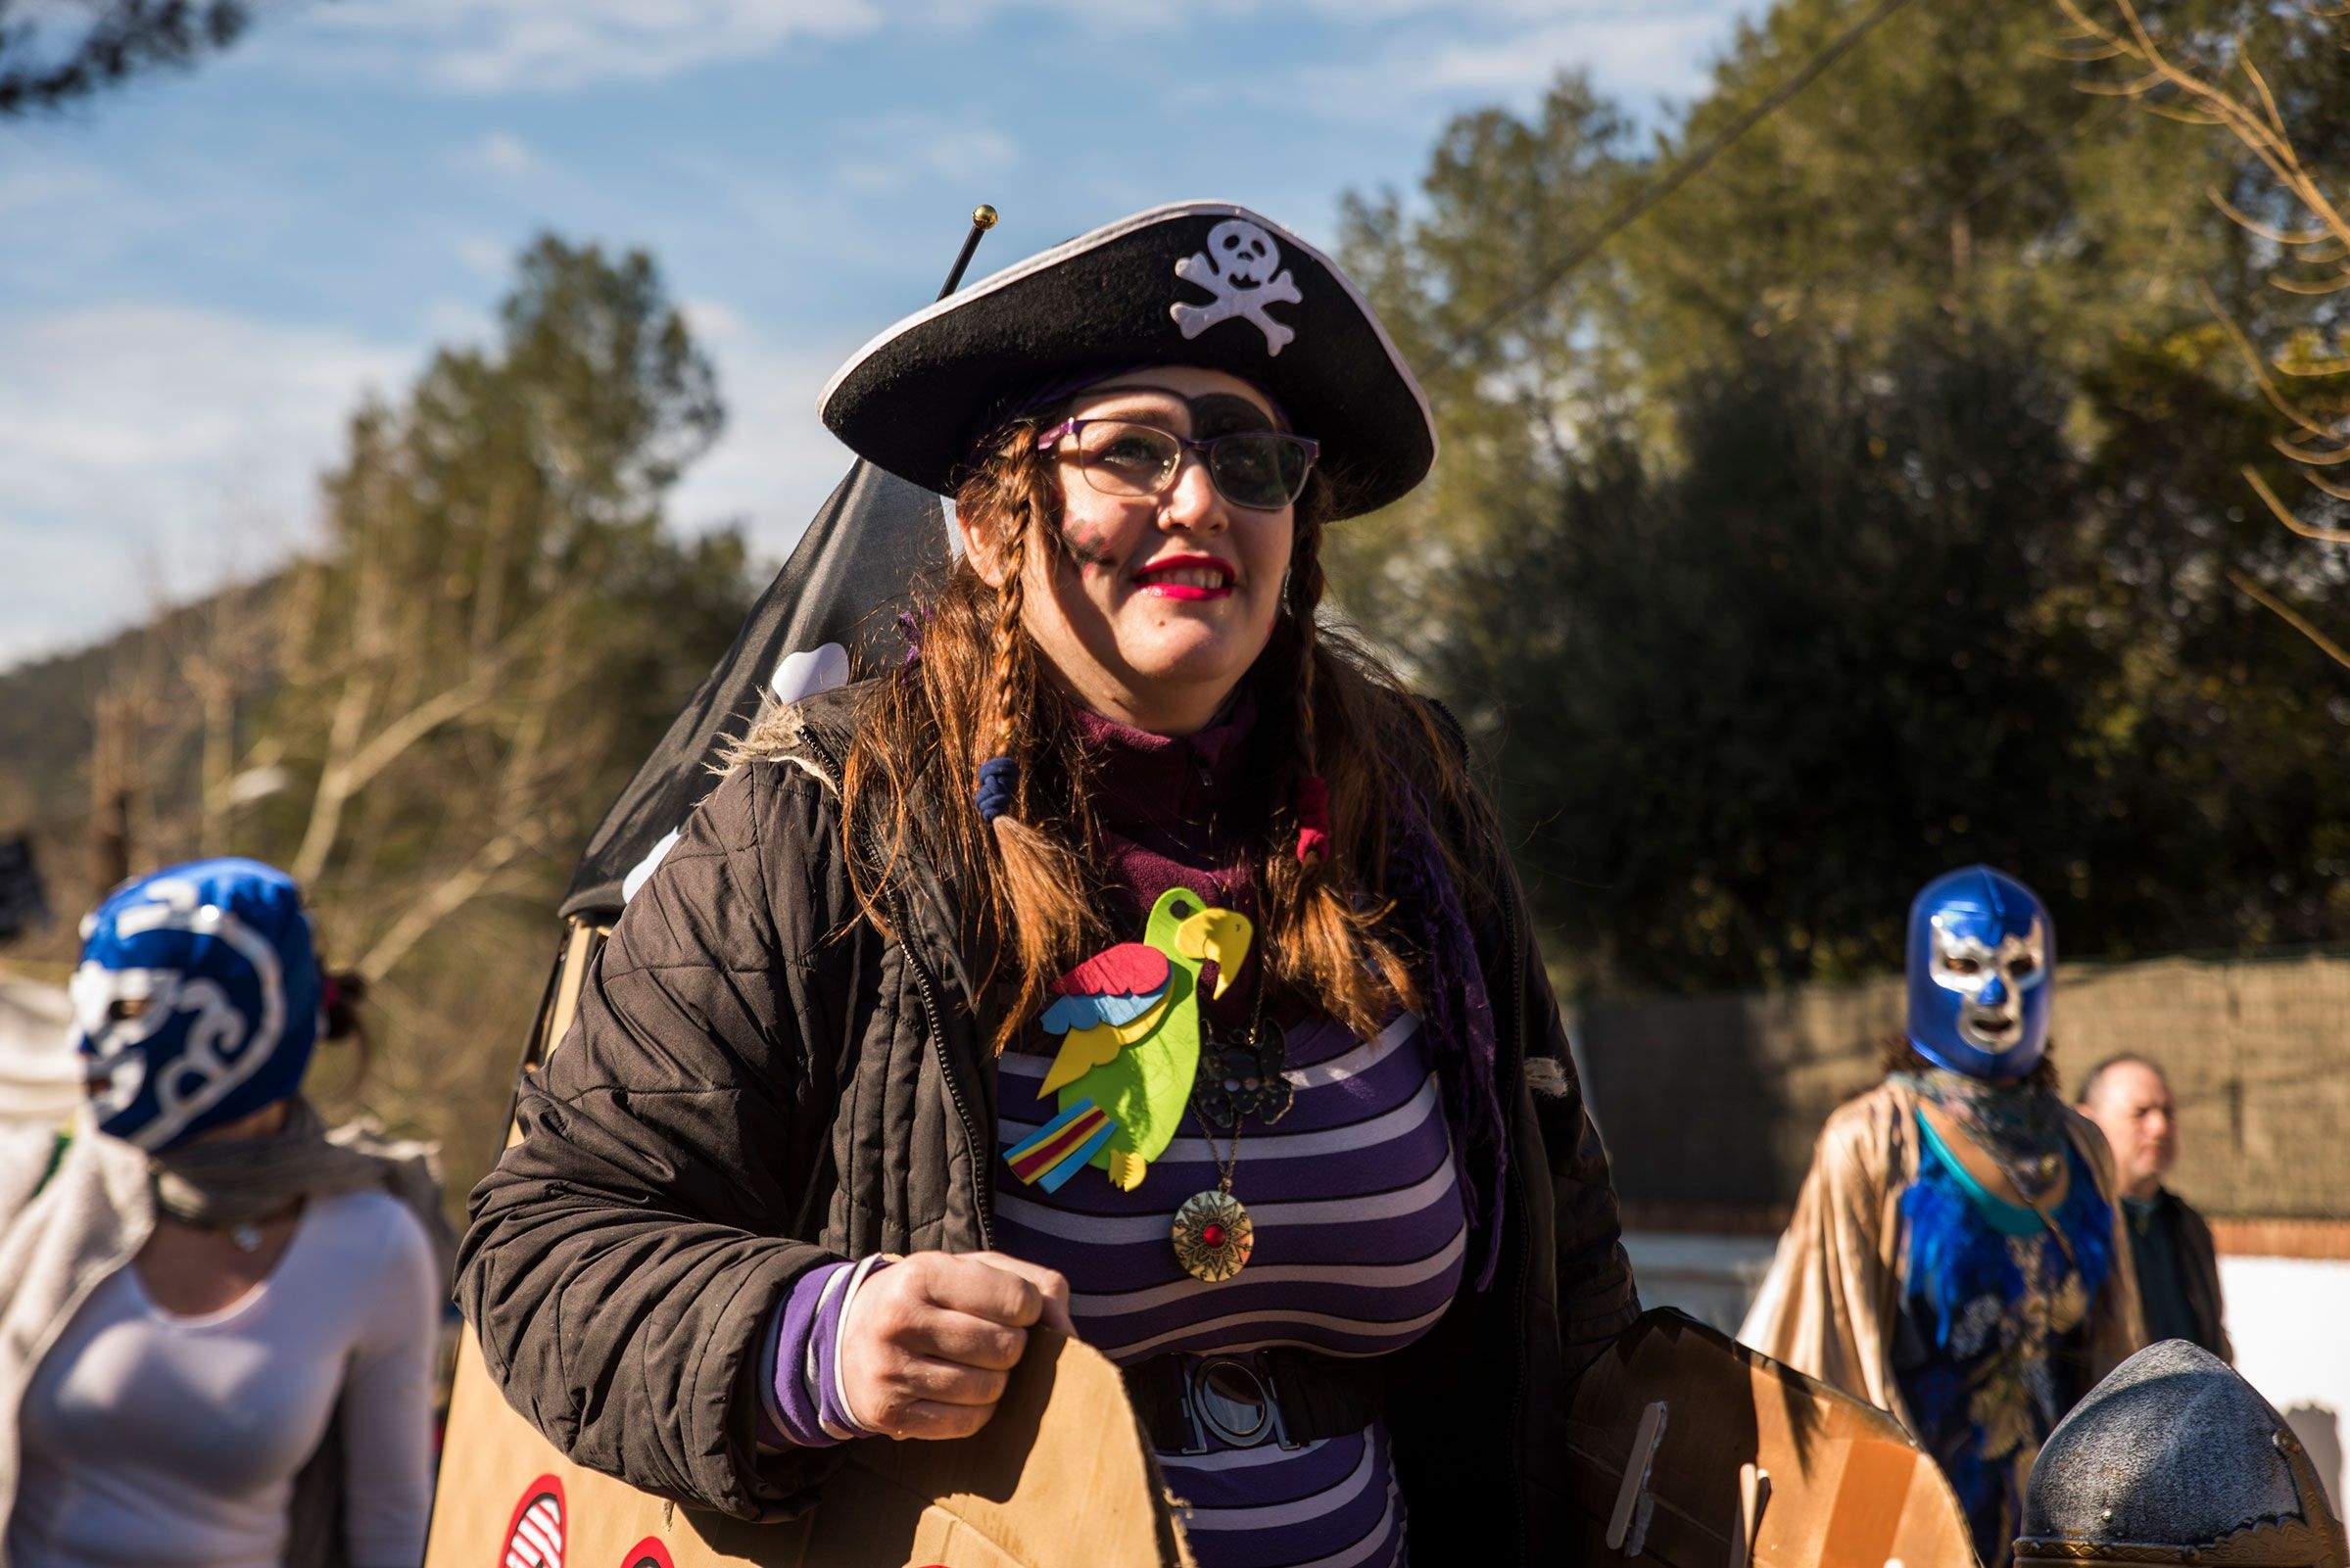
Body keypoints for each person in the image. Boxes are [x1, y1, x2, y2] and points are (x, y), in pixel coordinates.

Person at [457, 200, 1640, 1563]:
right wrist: (813, 1338)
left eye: (1250, 462)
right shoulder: (815, 826)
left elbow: (1569, 1254)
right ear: (984, 518)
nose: (1199, 498)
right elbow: (544, 1247)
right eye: (1131, 449)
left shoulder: (1413, 823)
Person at [1, 858, 444, 1568]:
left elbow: (390, 1527)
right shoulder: (34, 1187)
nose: (85, 1050)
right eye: (85, 1008)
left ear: (245, 1016)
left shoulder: (372, 1241)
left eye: (128, 1010)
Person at [1740, 865, 2143, 1568]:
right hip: (1907, 1529)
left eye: (2018, 967)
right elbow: (1826, 1356)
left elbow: (2115, 1341)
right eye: (1963, 964)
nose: (1994, 992)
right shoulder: (1872, 1138)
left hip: (2062, 1530)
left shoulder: (2081, 1148)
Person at [2076, 1053, 2230, 1361]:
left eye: (2168, 1113)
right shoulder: (2070, 1224)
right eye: (2140, 1113)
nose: (2159, 1127)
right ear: (2087, 1121)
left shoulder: (2186, 1226)